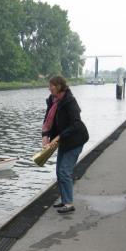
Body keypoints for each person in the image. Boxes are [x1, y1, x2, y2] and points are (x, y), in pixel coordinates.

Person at [42, 76, 89, 214]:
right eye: (49, 85)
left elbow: (76, 124)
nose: (49, 88)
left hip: (76, 140)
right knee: (59, 171)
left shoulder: (70, 101)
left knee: (64, 171)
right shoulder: (52, 100)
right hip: (62, 140)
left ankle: (69, 204)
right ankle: (64, 200)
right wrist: (45, 136)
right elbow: (48, 120)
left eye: (52, 86)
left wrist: (58, 137)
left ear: (59, 86)